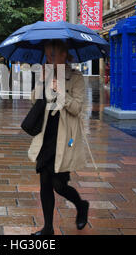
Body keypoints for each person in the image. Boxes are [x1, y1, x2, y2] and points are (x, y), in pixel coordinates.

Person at [28, 39, 90, 236]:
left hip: (65, 138)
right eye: (47, 56)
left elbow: (77, 108)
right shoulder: (45, 75)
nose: (49, 59)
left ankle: (81, 205)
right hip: (46, 135)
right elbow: (33, 100)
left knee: (59, 185)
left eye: (52, 55)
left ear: (64, 55)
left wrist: (61, 90)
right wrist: (42, 81)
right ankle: (48, 228)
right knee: (45, 182)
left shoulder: (76, 78)